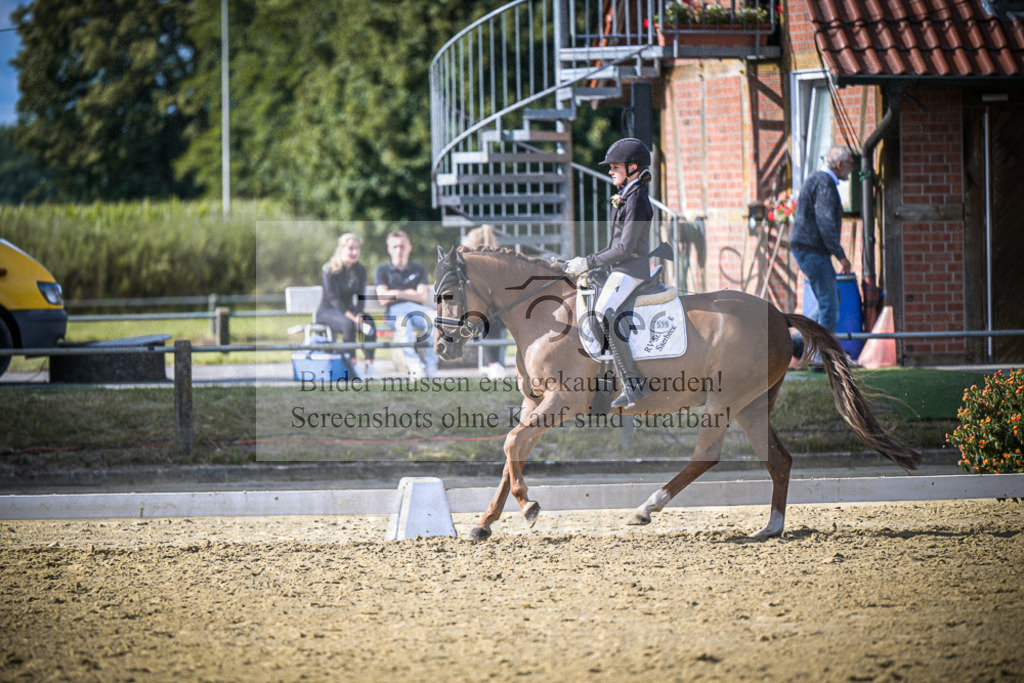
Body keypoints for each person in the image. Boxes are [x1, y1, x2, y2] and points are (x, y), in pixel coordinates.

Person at [565, 138, 654, 409]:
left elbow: (626, 247)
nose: (610, 172)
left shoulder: (636, 198)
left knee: (603, 313)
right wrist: (588, 263)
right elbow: (614, 245)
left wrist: (590, 262)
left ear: (633, 167)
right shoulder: (626, 195)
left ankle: (633, 384)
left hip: (631, 269)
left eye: (615, 167)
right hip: (619, 267)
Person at [790, 146, 854, 335]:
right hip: (812, 251)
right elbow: (826, 224)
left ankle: (801, 342)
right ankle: (821, 358)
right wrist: (841, 256)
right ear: (839, 164)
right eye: (850, 164)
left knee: (832, 298)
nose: (852, 169)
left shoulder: (820, 180)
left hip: (808, 249)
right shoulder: (824, 182)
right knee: (830, 305)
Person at [374, 230, 439, 378]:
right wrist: (409, 292)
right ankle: (415, 366)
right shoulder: (382, 270)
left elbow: (421, 297)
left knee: (436, 319)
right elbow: (383, 298)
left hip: (416, 309)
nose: (399, 250)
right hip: (394, 312)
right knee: (404, 323)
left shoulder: (419, 269)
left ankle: (431, 365)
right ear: (389, 249)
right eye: (395, 246)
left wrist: (395, 293)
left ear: (409, 247)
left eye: (402, 246)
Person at [315, 233, 378, 379]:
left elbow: (360, 296)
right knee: (349, 324)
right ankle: (353, 365)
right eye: (350, 248)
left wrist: (360, 315)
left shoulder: (360, 270)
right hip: (328, 311)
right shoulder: (329, 269)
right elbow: (333, 298)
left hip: (351, 311)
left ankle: (370, 365)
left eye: (357, 248)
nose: (354, 252)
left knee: (368, 322)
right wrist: (354, 318)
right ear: (341, 249)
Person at [461, 225, 508, 380]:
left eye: (470, 244)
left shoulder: (496, 262)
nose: (467, 247)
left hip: (495, 309)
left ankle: (495, 364)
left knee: (493, 317)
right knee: (488, 318)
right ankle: (494, 364)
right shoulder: (467, 262)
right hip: (473, 310)